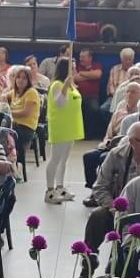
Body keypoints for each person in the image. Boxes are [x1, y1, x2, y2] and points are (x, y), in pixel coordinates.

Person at [42, 57, 81, 205]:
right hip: (60, 126)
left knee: (64, 160)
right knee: (55, 159)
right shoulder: (57, 85)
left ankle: (60, 187)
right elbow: (60, 103)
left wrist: (69, 85)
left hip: (70, 126)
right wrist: (65, 86)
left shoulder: (72, 85)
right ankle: (50, 191)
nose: (75, 70)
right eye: (73, 67)